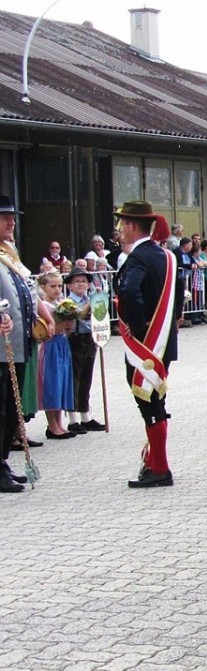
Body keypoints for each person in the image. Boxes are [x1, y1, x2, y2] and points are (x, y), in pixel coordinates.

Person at [113, 201, 183, 488]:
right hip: (164, 341)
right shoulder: (167, 256)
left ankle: (160, 468)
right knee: (156, 401)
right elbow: (179, 292)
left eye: (122, 224)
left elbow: (129, 290)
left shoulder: (138, 258)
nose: (120, 229)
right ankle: (155, 462)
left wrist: (138, 325)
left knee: (148, 403)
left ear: (131, 225)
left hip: (145, 345)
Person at [0, 195, 36, 492]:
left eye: (13, 217)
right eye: (5, 217)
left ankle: (2, 462)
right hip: (2, 346)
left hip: (15, 344)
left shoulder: (8, 252)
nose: (12, 221)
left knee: (12, 408)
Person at [63, 267, 104, 434]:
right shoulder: (68, 302)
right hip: (75, 340)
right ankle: (72, 419)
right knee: (75, 378)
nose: (81, 284)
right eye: (77, 281)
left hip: (89, 339)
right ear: (70, 285)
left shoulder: (90, 298)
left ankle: (85, 416)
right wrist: (93, 300)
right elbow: (79, 314)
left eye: (84, 281)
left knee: (87, 377)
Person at [36, 272, 75, 440]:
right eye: (53, 286)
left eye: (59, 286)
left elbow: (67, 329)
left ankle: (59, 423)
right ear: (43, 287)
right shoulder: (43, 306)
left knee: (62, 382)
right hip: (51, 346)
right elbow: (46, 328)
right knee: (52, 383)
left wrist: (70, 321)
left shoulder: (62, 304)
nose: (57, 289)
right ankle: (52, 425)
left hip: (63, 343)